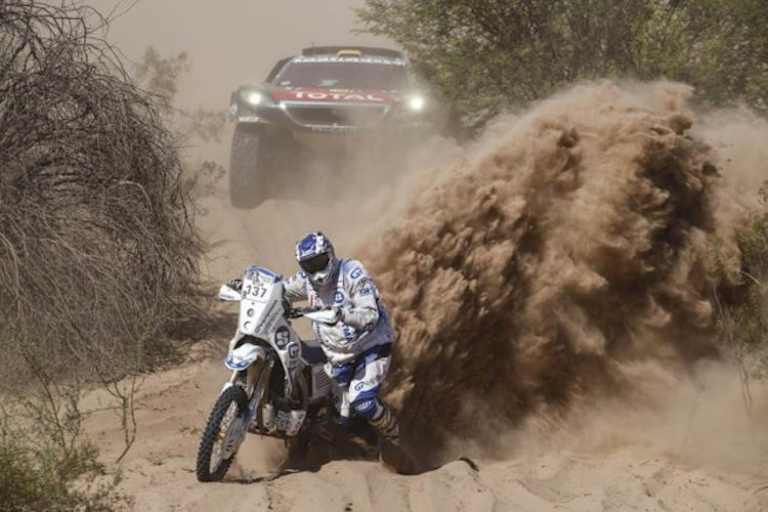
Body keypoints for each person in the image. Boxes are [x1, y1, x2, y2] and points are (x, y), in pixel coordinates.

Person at [282, 231, 399, 443]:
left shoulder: (351, 273)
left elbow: (370, 315)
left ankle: (394, 438)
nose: (316, 270)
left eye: (320, 261)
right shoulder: (305, 282)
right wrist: (249, 286)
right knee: (337, 417)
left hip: (370, 346)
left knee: (363, 402)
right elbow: (280, 289)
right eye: (309, 265)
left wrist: (342, 314)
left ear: (330, 254)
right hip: (336, 355)